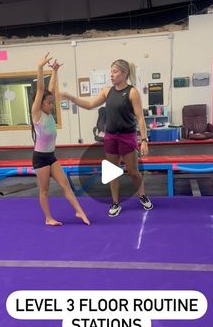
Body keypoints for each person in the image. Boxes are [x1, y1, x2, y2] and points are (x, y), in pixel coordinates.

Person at [61, 58, 153, 217]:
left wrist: (144, 141)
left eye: (115, 72)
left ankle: (142, 195)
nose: (112, 75)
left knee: (132, 171)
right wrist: (71, 98)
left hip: (127, 136)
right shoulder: (106, 91)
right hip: (110, 137)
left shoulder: (132, 92)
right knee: (112, 171)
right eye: (111, 72)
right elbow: (90, 105)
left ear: (124, 74)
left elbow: (140, 118)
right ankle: (115, 203)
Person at [31, 53, 90, 226]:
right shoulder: (37, 114)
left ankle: (80, 212)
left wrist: (55, 72)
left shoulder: (48, 113)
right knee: (44, 190)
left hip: (51, 156)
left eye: (52, 102)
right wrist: (40, 68)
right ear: (40, 103)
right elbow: (42, 90)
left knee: (65, 185)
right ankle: (48, 218)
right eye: (49, 103)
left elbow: (50, 89)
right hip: (40, 158)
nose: (52, 105)